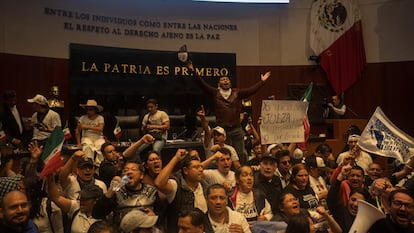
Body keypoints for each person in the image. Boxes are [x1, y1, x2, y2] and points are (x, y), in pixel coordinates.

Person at [187, 62, 271, 165]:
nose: (225, 80)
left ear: (230, 83)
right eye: (222, 80)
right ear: (219, 84)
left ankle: (241, 172)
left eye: (227, 79)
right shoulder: (215, 92)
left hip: (236, 129)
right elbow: (201, 84)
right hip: (222, 130)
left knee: (240, 154)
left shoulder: (237, 93)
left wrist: (262, 82)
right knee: (224, 154)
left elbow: (251, 90)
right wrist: (192, 70)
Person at [92, 160, 159, 233]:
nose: (129, 172)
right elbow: (97, 214)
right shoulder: (117, 192)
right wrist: (110, 191)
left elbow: (162, 213)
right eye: (125, 170)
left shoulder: (152, 191)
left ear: (141, 175)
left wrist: (155, 215)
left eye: (133, 169)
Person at [154, 149, 208, 233]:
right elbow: (159, 183)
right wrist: (175, 159)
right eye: (196, 167)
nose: (201, 169)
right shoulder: (176, 186)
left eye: (201, 166)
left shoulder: (205, 186)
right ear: (185, 170)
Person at [76, 99, 105, 165]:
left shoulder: (100, 118)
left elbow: (100, 128)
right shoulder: (82, 118)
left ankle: (99, 167)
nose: (88, 111)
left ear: (95, 110)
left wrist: (86, 127)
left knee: (100, 147)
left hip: (98, 138)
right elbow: (77, 131)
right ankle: (88, 165)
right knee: (88, 147)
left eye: (90, 109)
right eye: (87, 109)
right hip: (87, 138)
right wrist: (78, 143)